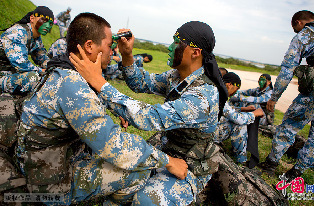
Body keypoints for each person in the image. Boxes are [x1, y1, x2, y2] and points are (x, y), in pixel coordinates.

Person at [14, 12, 187, 206]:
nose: (112, 52)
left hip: (42, 164)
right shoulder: (72, 85)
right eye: (108, 46)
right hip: (48, 184)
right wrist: (168, 161)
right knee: (137, 171)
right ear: (89, 46)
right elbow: (116, 146)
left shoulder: (64, 69)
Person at [71, 21, 229, 205]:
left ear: (195, 52)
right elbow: (140, 82)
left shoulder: (203, 96)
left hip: (189, 167)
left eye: (177, 43)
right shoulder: (176, 76)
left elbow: (149, 117)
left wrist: (99, 83)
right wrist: (127, 54)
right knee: (117, 186)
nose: (170, 48)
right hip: (167, 153)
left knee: (147, 200)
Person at [259, 10, 314, 181]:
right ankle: (295, 174)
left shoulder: (304, 35)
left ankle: (270, 165)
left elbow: (287, 70)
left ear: (299, 22)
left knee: (288, 126)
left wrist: (274, 97)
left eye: (295, 28)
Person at [0, 6, 53, 94]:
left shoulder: (36, 38)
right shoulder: (18, 32)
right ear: (32, 18)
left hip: (9, 73)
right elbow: (21, 64)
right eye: (44, 20)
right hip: (3, 72)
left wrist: (53, 67)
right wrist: (41, 71)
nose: (47, 26)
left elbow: (42, 58)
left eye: (50, 24)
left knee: (46, 78)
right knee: (33, 78)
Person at [215, 72, 264, 165]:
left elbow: (224, 110)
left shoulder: (215, 90)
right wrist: (254, 114)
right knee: (239, 125)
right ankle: (242, 161)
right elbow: (239, 119)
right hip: (206, 135)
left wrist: (243, 109)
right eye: (236, 89)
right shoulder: (219, 95)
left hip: (201, 130)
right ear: (229, 85)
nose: (235, 92)